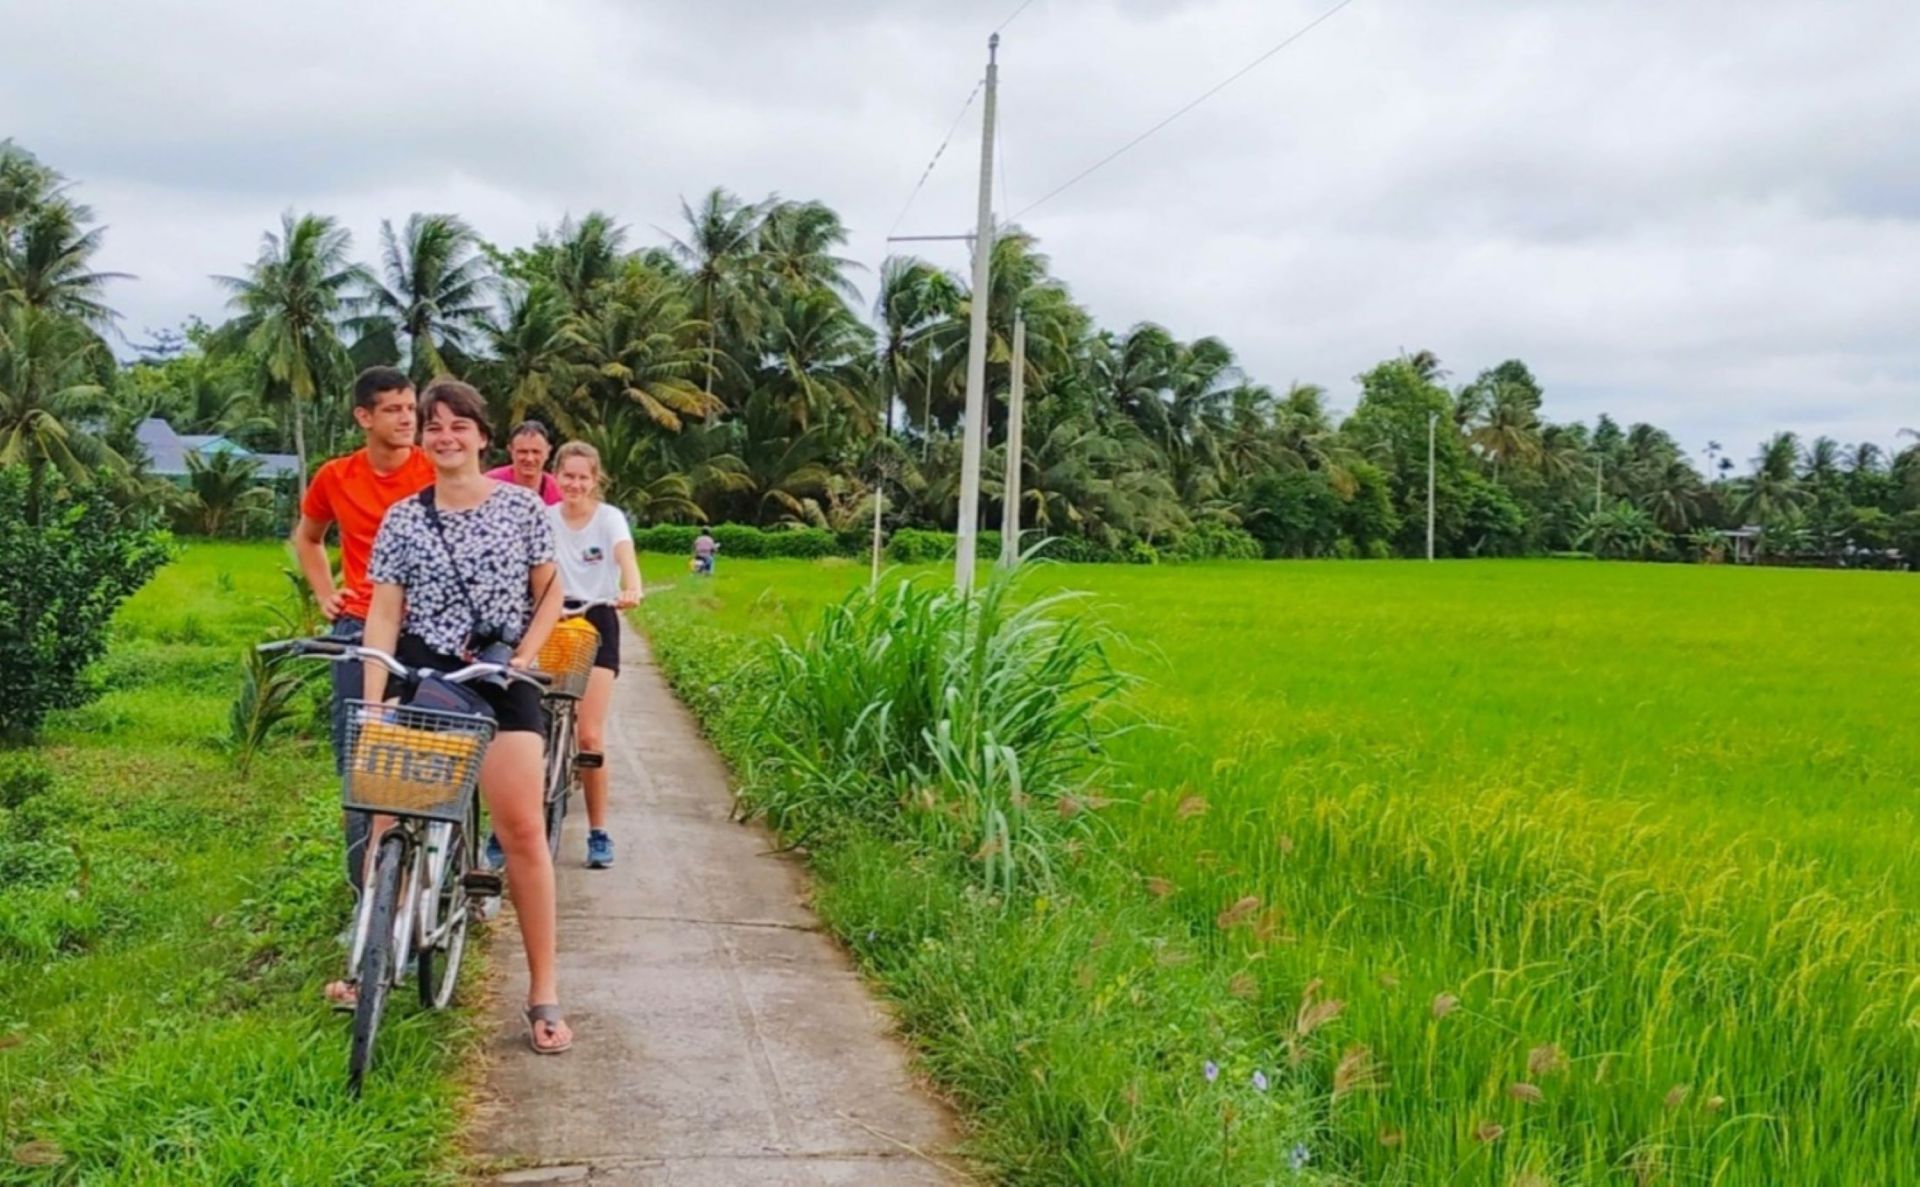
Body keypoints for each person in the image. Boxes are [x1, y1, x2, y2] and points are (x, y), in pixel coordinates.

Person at [362, 379, 573, 1054]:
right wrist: (376, 695)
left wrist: (525, 659)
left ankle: (543, 991)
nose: (445, 436)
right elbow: (385, 611)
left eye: (459, 425)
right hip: (425, 674)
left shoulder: (521, 508)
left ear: (484, 436)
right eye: (433, 426)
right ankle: (366, 950)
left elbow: (550, 593)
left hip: (499, 674)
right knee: (385, 810)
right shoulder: (403, 517)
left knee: (521, 831)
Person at [288, 365, 434, 986]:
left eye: (411, 408)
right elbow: (309, 536)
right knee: (361, 771)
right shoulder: (336, 476)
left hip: (428, 629)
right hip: (357, 628)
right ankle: (367, 908)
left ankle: (432, 884)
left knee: (437, 757)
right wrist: (326, 593)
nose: (408, 419)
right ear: (364, 418)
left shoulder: (433, 468)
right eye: (395, 409)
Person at [549, 441, 644, 869]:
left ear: (595, 480)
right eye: (567, 475)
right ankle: (507, 831)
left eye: (583, 477)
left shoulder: (609, 519)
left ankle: (597, 831)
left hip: (598, 619)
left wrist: (632, 586)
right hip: (551, 622)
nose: (574, 484)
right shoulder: (545, 519)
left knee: (589, 736)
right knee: (531, 735)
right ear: (557, 476)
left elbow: (625, 555)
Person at [486, 420, 562, 505]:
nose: (529, 459)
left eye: (536, 452)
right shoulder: (490, 483)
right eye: (523, 452)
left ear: (547, 452)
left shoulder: (558, 490)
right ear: (511, 451)